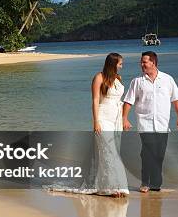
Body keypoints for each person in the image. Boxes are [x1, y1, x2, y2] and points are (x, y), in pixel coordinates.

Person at [44, 52, 129, 197]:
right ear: (113, 63)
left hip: (115, 119)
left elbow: (118, 101)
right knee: (108, 152)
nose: (122, 66)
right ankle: (111, 187)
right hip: (103, 118)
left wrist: (124, 118)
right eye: (120, 63)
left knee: (111, 152)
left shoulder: (118, 78)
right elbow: (95, 100)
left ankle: (109, 185)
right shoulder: (99, 77)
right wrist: (96, 121)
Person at [122, 51, 178, 193]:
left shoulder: (167, 79)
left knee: (159, 154)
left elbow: (175, 98)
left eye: (144, 62)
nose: (141, 64)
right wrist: (124, 118)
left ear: (153, 63)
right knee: (148, 152)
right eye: (141, 62)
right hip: (145, 123)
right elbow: (128, 101)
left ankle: (156, 184)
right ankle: (145, 182)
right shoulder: (137, 81)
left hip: (163, 124)